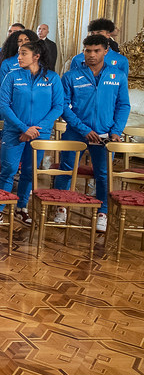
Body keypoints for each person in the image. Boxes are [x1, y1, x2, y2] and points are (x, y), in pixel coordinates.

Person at [54, 34, 131, 232]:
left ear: (106, 51)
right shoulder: (71, 76)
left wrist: (116, 131)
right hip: (76, 132)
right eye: (88, 51)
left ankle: (102, 213)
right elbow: (63, 105)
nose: (91, 55)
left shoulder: (118, 76)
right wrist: (83, 129)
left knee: (103, 175)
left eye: (96, 51)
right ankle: (61, 207)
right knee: (66, 169)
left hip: (105, 135)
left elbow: (123, 105)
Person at [0, 40, 64, 225]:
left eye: (23, 53)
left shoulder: (52, 78)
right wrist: (24, 128)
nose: (19, 57)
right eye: (19, 53)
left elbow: (58, 107)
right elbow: (3, 106)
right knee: (8, 170)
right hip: (13, 132)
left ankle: (21, 208)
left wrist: (35, 130)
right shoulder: (12, 76)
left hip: (39, 134)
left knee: (29, 171)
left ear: (36, 56)